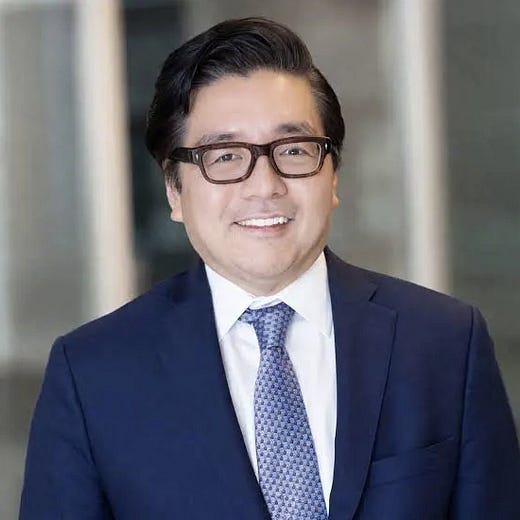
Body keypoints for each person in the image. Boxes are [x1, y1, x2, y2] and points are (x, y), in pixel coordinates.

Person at [20, 17, 520, 520]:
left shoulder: (445, 342)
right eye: (225, 156)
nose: (264, 186)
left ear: (333, 175)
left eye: (294, 150)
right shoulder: (92, 375)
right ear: (174, 191)